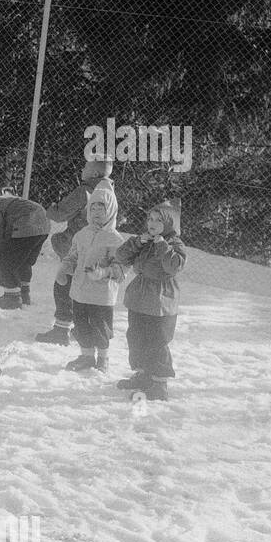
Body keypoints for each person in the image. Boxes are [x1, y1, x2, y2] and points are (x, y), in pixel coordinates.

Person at [35, 155, 114, 344]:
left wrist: (50, 207)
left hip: (79, 246)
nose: (82, 170)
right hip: (99, 248)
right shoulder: (110, 193)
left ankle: (61, 330)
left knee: (63, 285)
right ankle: (86, 331)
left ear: (94, 172)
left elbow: (60, 214)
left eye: (85, 167)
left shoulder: (85, 191)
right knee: (86, 290)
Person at [114, 199, 186, 401]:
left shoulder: (173, 244)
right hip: (139, 299)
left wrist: (163, 247)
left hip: (160, 301)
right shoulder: (144, 240)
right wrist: (137, 242)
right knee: (136, 337)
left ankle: (160, 383)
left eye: (158, 220)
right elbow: (121, 256)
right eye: (150, 219)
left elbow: (174, 267)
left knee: (156, 341)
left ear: (170, 224)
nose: (152, 223)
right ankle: (144, 375)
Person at [56, 179, 124, 373]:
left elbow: (120, 270)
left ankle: (103, 358)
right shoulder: (81, 234)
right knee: (81, 326)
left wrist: (103, 273)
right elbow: (72, 256)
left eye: (101, 209)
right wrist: (64, 269)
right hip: (79, 292)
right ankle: (86, 356)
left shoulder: (115, 239)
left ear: (110, 211)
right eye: (92, 209)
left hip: (101, 296)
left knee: (100, 328)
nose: (95, 213)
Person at [0, 186, 50, 308]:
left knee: (4, 259)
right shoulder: (4, 199)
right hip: (43, 224)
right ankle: (23, 294)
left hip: (26, 223)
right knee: (23, 261)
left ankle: (11, 297)